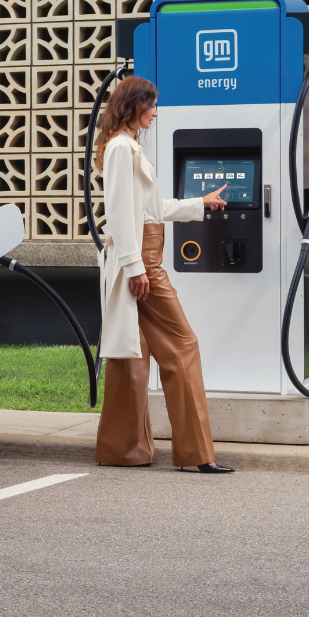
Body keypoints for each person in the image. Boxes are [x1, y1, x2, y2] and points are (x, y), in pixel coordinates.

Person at [93, 76, 234, 473]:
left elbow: (151, 208)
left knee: (131, 354)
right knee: (183, 345)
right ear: (135, 106)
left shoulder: (129, 146)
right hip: (142, 259)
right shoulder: (123, 148)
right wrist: (137, 268)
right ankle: (197, 455)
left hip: (142, 255)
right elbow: (121, 212)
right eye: (152, 106)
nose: (156, 113)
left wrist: (199, 203)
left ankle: (123, 449)